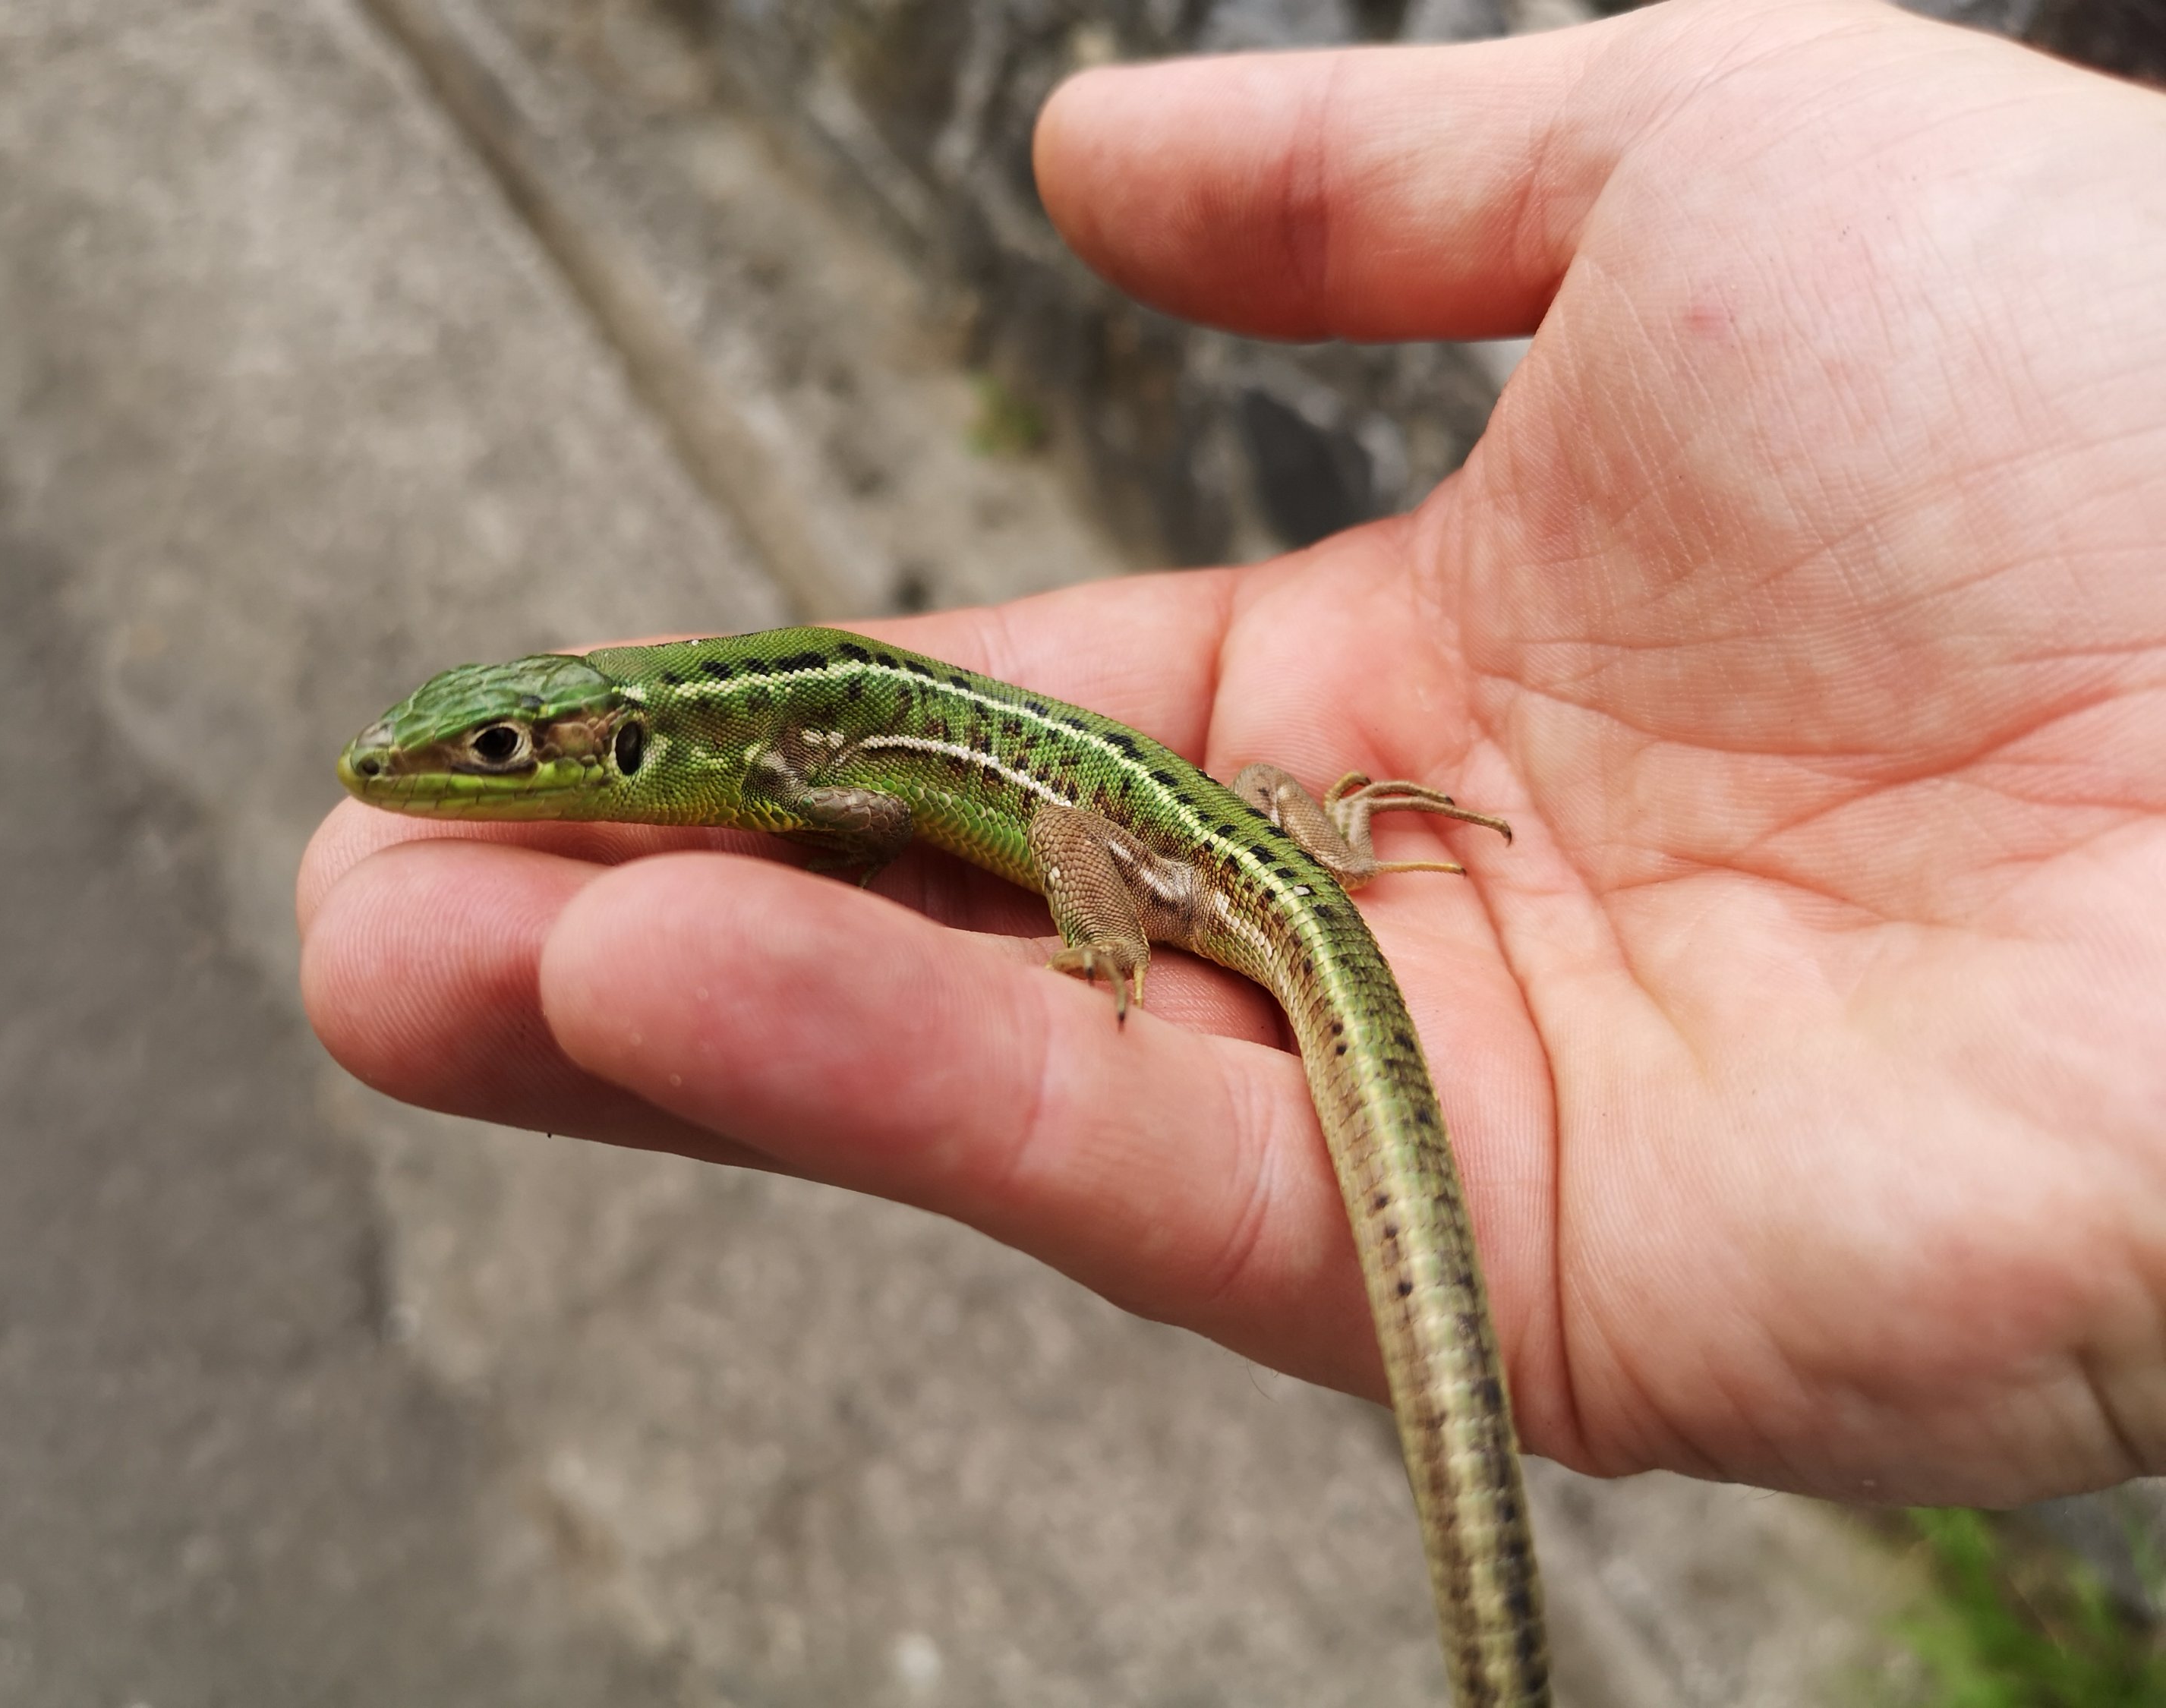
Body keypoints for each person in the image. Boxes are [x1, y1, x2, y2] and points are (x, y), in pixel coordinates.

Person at [298, 0, 2166, 1505]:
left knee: (1081, 854)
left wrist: (1009, 896)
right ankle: (1314, 839)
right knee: (1120, 845)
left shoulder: (770, 762)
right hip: (1235, 846)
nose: (464, 772)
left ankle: (1150, 928)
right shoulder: (740, 735)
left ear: (619, 743)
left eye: (505, 752)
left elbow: (874, 818)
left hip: (1177, 871)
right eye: (493, 755)